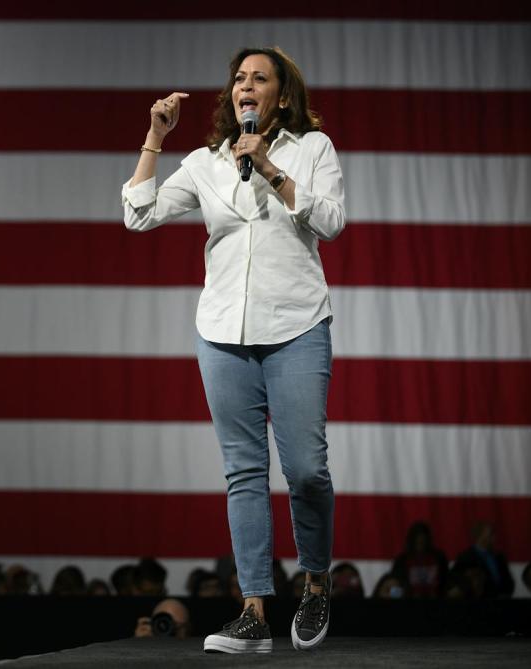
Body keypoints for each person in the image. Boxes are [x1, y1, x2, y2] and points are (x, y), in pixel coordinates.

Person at [122, 46, 344, 655]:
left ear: (281, 93)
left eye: (259, 78)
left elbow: (329, 220)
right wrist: (154, 135)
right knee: (244, 472)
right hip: (222, 332)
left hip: (297, 325)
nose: (246, 86)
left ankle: (317, 581)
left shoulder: (312, 149)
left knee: (305, 469)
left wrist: (270, 167)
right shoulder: (205, 163)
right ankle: (253, 609)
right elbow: (138, 215)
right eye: (239, 79)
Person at [452, 522, 514, 598]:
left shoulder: (499, 557)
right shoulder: (466, 557)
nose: (494, 538)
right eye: (491, 534)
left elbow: (508, 579)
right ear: (479, 536)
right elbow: (459, 581)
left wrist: (506, 592)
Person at [391, 521, 449, 598]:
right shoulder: (402, 560)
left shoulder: (439, 558)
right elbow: (395, 583)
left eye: (423, 540)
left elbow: (446, 580)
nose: (420, 542)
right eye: (418, 541)